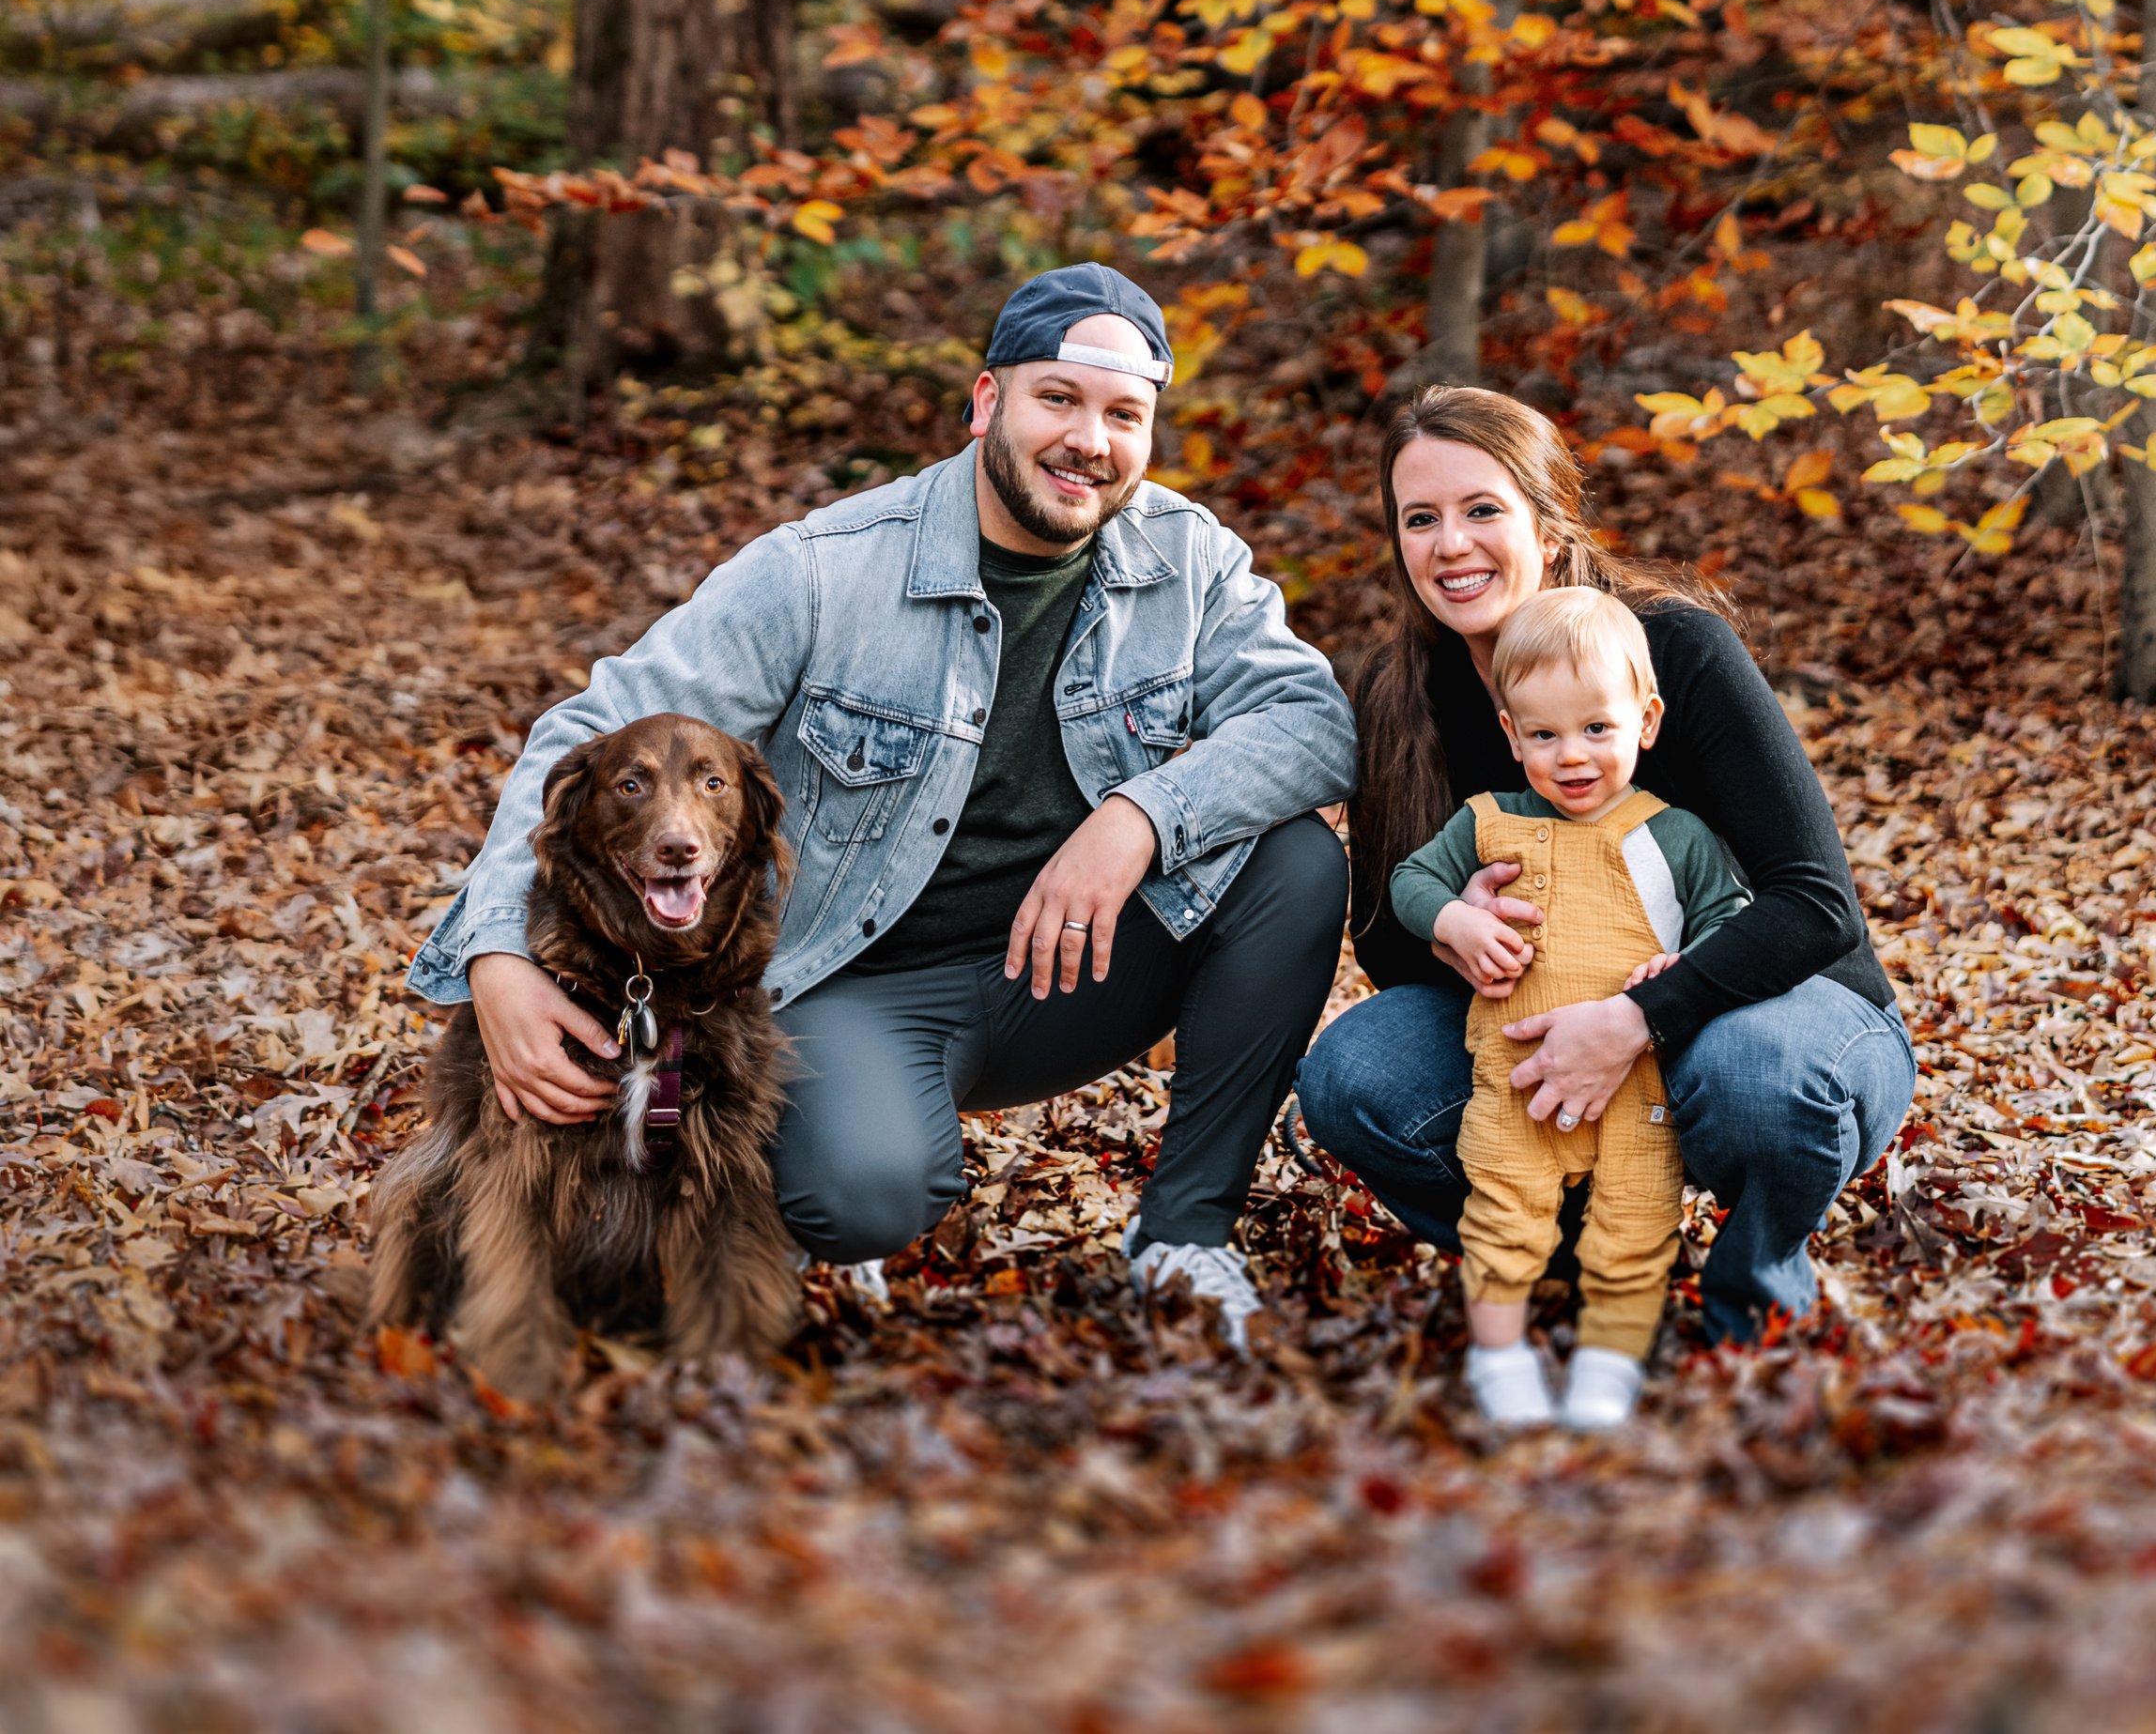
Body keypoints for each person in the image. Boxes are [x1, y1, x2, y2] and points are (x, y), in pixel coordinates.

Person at [408, 262, 1355, 1348]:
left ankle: (1184, 1233)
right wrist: (496, 958)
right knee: (864, 1195)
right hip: (852, 986)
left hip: (1076, 968)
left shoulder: (1187, 558)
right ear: (987, 401)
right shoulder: (823, 572)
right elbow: (589, 732)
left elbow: (1314, 722)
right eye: (1059, 399)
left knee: (1291, 862)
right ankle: (800, 1186)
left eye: (1123, 416)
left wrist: (1137, 818)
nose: (1089, 441)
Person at [1297, 385, 1914, 1350]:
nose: (1450, 544)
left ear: (1547, 528)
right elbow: (1387, 939)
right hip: (1546, 1018)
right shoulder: (1399, 694)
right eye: (1420, 519)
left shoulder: (1673, 651)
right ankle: (1588, 1262)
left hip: (1772, 1016)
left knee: (1756, 1079)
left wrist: (1632, 1022)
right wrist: (1459, 927)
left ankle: (1752, 1297)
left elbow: (1815, 908)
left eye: (1482, 510)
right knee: (1352, 1072)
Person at [1387, 583, 1748, 1431]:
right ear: (1510, 737)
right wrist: (1455, 920)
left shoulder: (1675, 836)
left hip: (1637, 1088)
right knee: (1502, 1217)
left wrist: (1681, 967)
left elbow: (1732, 924)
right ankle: (1500, 1355)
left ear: (1646, 722)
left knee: (1635, 1226)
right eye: (1544, 735)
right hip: (1514, 1079)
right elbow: (1411, 883)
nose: (1572, 756)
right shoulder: (1486, 824)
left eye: (1596, 728)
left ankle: (1606, 1367)